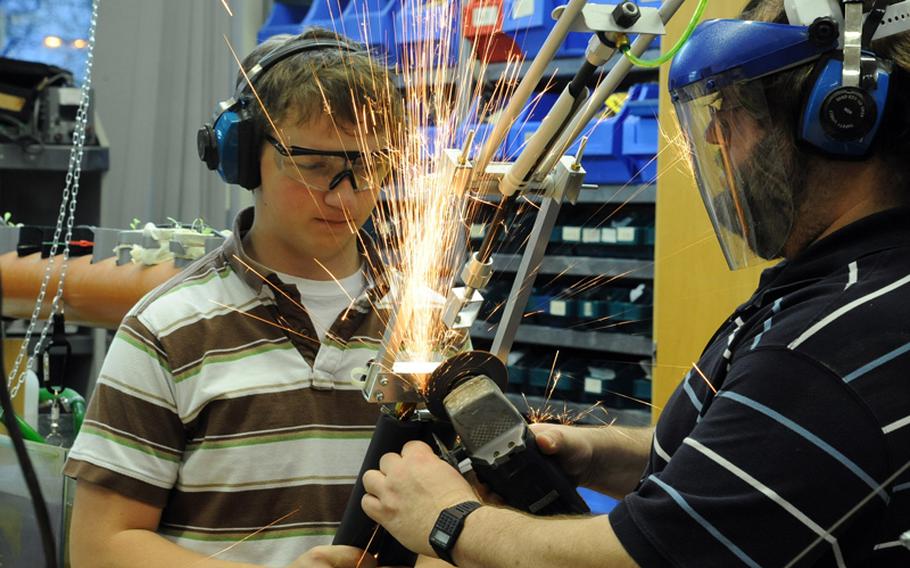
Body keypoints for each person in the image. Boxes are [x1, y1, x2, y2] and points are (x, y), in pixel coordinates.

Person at [360, 1, 910, 566]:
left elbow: (642, 560)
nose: (719, 142)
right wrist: (600, 455)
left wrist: (449, 520)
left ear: (844, 117)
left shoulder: (827, 345)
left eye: (738, 113)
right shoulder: (853, 287)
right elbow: (765, 463)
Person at [64, 28, 408, 567]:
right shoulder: (169, 329)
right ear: (244, 157)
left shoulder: (422, 324)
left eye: (366, 165)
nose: (345, 194)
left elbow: (462, 515)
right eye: (313, 165)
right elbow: (99, 547)